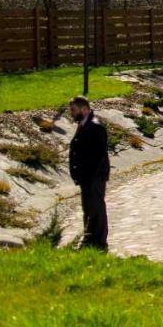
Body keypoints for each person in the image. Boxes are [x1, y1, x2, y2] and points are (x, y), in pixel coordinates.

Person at [68, 96, 110, 250]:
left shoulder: (95, 127)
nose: (71, 113)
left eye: (74, 110)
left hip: (94, 177)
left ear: (84, 109)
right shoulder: (84, 125)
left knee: (96, 208)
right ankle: (89, 237)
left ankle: (99, 241)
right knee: (88, 208)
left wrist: (91, 177)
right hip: (85, 177)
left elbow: (99, 155)